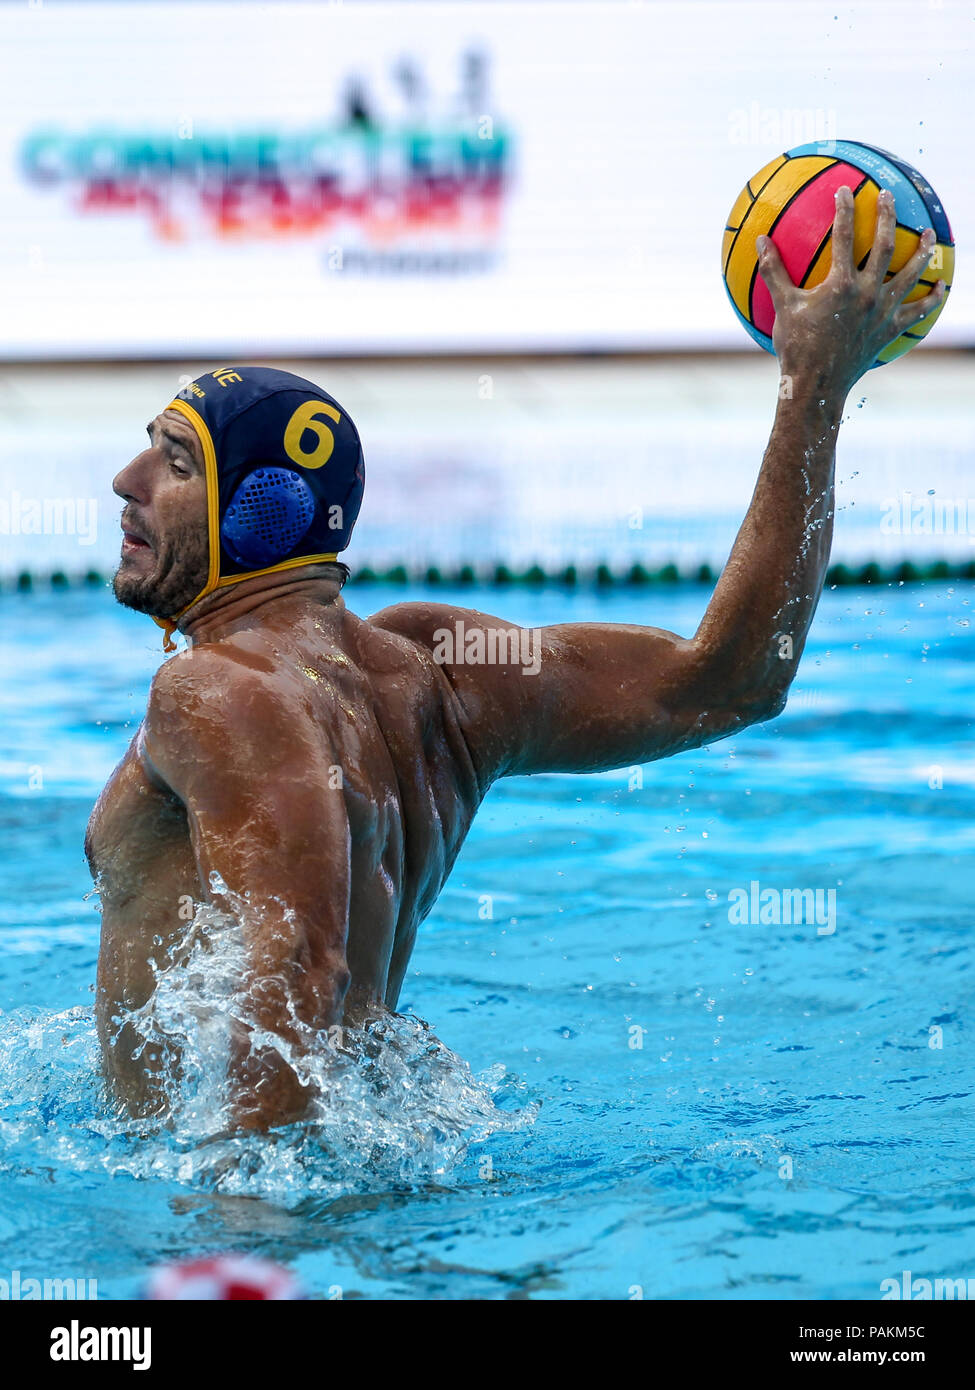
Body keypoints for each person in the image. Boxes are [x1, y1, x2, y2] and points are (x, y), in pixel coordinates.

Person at [86, 188, 943, 1131]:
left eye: (174, 461)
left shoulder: (209, 689)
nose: (126, 481)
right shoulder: (441, 672)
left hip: (230, 1191)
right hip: (380, 1161)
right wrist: (812, 390)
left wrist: (238, 1242)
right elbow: (737, 677)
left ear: (264, 513)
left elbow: (300, 969)